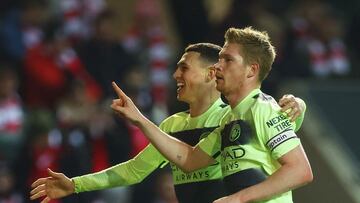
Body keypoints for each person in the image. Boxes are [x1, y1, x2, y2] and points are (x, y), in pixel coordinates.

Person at [30, 43, 306, 203]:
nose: (175, 74)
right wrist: (75, 185)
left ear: (212, 73)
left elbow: (282, 123)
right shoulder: (172, 125)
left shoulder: (234, 114)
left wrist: (298, 106)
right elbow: (134, 171)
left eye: (184, 67)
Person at [108, 27, 312, 203]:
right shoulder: (228, 120)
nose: (218, 65)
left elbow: (300, 170)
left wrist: (238, 198)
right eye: (220, 57)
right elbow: (189, 160)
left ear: (251, 70)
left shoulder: (262, 108)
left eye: (228, 59)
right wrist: (139, 120)